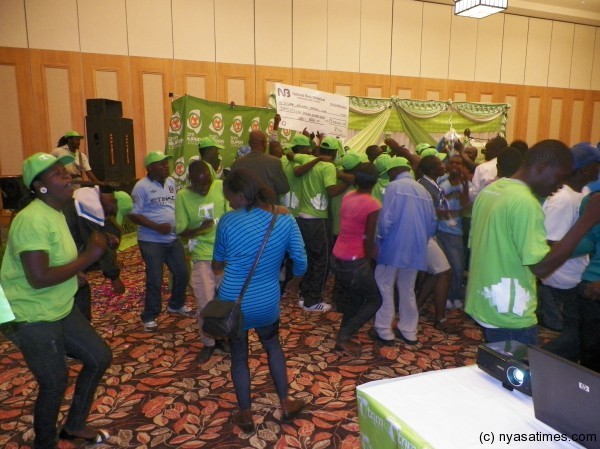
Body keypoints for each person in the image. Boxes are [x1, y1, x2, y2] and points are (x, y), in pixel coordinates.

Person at [0, 152, 112, 448]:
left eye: (67, 172)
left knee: (99, 357)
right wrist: (89, 256)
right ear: (39, 186)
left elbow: (53, 263)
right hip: (30, 315)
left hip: (59, 307)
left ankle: (73, 427)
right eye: (59, 174)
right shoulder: (32, 220)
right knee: (54, 382)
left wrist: (75, 274)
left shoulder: (57, 211)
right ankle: (45, 442)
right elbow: (38, 277)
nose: (68, 177)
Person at [465, 140, 600, 345]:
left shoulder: (492, 190)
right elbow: (541, 267)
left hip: (486, 300)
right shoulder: (525, 203)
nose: (561, 185)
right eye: (561, 177)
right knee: (519, 372)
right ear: (543, 168)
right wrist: (586, 221)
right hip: (510, 312)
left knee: (499, 368)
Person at [212, 168, 307, 433]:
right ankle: (286, 401)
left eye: (230, 197)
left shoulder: (228, 221)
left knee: (239, 355)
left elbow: (217, 263)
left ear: (243, 195)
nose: (229, 203)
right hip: (267, 298)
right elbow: (301, 261)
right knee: (273, 346)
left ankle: (245, 414)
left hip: (234, 301)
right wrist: (293, 285)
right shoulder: (285, 220)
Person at [541, 143, 600, 361]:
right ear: (586, 168)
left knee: (578, 340)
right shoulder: (567, 198)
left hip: (580, 277)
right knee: (576, 340)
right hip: (571, 280)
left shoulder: (585, 193)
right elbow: (553, 245)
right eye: (597, 165)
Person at [371, 157, 437, 346]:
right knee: (407, 289)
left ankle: (384, 330)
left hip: (393, 246)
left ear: (393, 171)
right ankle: (409, 331)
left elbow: (386, 220)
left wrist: (379, 240)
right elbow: (432, 224)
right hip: (417, 248)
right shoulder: (423, 190)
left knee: (384, 285)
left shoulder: (395, 187)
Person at [129, 151, 191, 332]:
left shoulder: (171, 182)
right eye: (161, 164)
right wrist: (156, 227)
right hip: (151, 240)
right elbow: (133, 215)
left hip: (172, 238)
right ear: (149, 168)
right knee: (155, 278)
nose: (166, 166)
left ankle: (175, 305)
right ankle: (150, 315)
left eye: (166, 163)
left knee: (181, 273)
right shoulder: (141, 187)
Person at [175, 160, 230, 364]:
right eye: (199, 185)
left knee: (225, 301)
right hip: (201, 255)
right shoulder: (182, 197)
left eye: (207, 183)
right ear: (190, 181)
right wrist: (200, 229)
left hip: (225, 255)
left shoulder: (220, 187)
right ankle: (208, 343)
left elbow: (231, 215)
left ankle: (223, 338)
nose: (204, 189)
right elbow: (181, 232)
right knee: (205, 303)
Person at [331, 163, 382, 354]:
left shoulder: (348, 196)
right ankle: (344, 335)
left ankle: (344, 337)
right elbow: (369, 237)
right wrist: (368, 259)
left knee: (354, 299)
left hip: (338, 254)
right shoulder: (373, 204)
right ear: (376, 181)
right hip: (354, 260)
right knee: (375, 300)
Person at [62, 185, 128, 321]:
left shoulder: (84, 196)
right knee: (79, 296)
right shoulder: (90, 206)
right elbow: (98, 245)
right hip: (64, 263)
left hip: (69, 259)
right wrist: (115, 277)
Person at [230, 130, 290, 197]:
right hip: (267, 205)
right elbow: (284, 188)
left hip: (244, 206)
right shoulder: (274, 162)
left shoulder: (237, 163)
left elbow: (232, 189)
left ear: (249, 143)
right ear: (265, 143)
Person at [468, 136, 508, 201]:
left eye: (487, 149)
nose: (485, 152)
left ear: (495, 151)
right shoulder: (511, 167)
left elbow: (473, 195)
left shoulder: (482, 168)